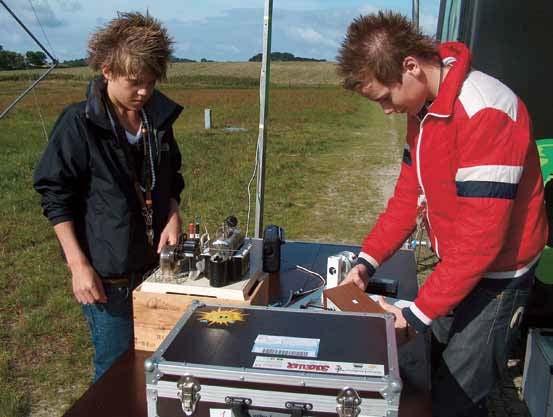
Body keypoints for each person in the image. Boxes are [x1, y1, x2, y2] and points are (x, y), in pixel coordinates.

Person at [337, 11, 547, 417]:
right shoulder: (423, 112)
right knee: (426, 373)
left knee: (457, 400)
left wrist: (415, 315)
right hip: (460, 264)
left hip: (500, 275)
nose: (385, 110)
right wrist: (367, 262)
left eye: (384, 98)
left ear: (410, 67)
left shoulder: (485, 110)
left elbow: (483, 242)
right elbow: (406, 197)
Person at [33, 12, 184, 382]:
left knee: (160, 361)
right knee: (116, 371)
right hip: (107, 277)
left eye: (150, 82)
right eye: (134, 83)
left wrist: (173, 214)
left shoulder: (156, 120)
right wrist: (78, 266)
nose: (144, 92)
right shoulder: (79, 124)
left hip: (154, 269)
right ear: (107, 71)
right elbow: (55, 196)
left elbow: (171, 178)